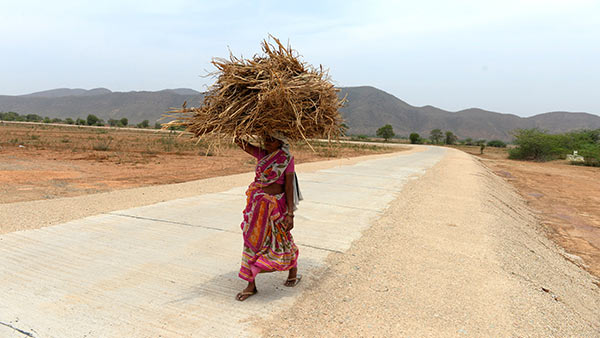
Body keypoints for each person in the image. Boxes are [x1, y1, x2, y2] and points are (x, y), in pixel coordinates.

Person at [234, 134, 302, 301]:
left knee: (281, 239)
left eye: (272, 140)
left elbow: (288, 186)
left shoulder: (286, 159)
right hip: (257, 206)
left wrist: (290, 213)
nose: (267, 143)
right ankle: (251, 284)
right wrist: (235, 130)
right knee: (251, 241)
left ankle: (292, 270)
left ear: (280, 142)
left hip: (276, 207)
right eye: (266, 139)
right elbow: (242, 144)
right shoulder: (262, 154)